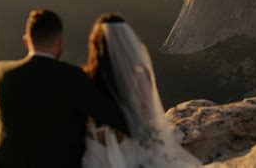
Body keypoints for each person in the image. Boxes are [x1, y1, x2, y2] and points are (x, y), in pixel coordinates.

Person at [0, 9, 129, 168]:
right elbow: (112, 116)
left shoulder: (0, 72)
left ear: (26, 41)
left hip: (8, 162)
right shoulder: (73, 77)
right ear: (60, 42)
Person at [82, 13, 201, 168]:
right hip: (134, 144)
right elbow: (149, 110)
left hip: (98, 149)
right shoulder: (139, 75)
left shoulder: (86, 76)